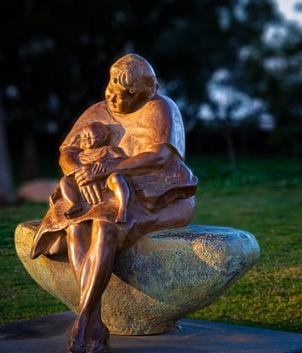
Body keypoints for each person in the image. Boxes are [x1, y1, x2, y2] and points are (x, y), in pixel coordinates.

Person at [31, 53, 198, 353]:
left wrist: (109, 169)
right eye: (110, 90)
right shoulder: (97, 110)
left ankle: (84, 321)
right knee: (76, 229)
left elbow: (162, 156)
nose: (113, 99)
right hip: (96, 188)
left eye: (122, 96)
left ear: (142, 94)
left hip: (153, 194)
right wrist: (83, 176)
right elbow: (66, 152)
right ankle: (91, 322)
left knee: (106, 227)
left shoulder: (161, 108)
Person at [51, 121, 130, 223]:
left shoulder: (109, 149)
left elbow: (122, 160)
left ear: (104, 137)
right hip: (84, 184)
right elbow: (71, 173)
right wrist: (58, 190)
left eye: (91, 135)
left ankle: (122, 210)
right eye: (83, 136)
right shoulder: (79, 156)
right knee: (65, 180)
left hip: (106, 181)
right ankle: (74, 204)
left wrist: (107, 161)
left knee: (117, 178)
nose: (86, 139)